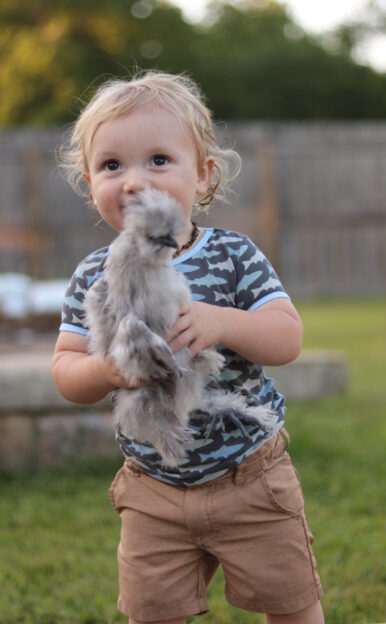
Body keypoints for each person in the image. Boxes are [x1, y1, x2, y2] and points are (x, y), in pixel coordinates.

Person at [52, 71, 324, 624]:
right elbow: (65, 368)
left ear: (203, 176)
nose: (133, 180)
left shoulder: (233, 254)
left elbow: (287, 336)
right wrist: (107, 368)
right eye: (111, 165)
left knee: (291, 602)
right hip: (152, 489)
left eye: (158, 160)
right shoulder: (94, 276)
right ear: (89, 182)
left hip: (251, 477)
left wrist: (223, 322)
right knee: (152, 612)